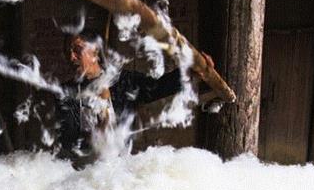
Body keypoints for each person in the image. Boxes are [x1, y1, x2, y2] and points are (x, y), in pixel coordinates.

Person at [56, 30, 212, 163]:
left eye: (77, 50)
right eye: (67, 52)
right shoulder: (66, 92)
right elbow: (66, 140)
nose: (71, 57)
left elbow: (158, 87)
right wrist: (95, 137)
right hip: (84, 174)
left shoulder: (123, 81)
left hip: (120, 172)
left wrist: (190, 70)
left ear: (95, 51)